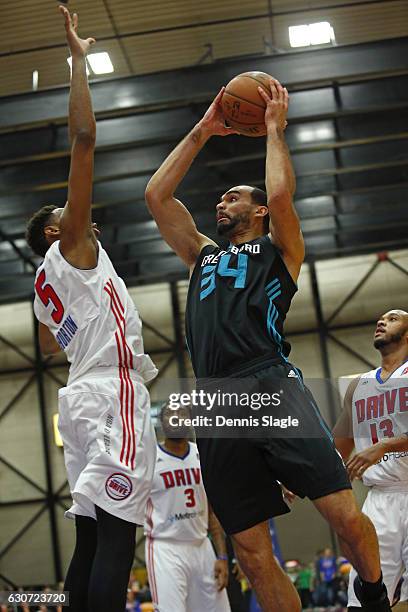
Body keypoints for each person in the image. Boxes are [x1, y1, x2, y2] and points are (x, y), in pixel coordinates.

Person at [144, 76, 392, 612]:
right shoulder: (201, 255)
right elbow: (156, 195)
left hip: (270, 384)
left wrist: (275, 128)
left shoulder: (280, 250)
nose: (221, 203)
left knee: (345, 518)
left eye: (233, 197)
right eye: (220, 198)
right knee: (252, 554)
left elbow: (279, 194)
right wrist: (205, 129)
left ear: (257, 213)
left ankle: (373, 594)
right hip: (214, 399)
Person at [25, 7, 157, 612]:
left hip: (76, 400)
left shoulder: (42, 286)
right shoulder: (72, 247)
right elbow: (83, 139)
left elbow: (55, 342)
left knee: (87, 534)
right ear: (57, 231)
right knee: (117, 536)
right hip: (110, 392)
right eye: (69, 214)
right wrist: (78, 59)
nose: (83, 216)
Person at [334, 310, 408, 611]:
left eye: (392, 319)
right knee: (364, 599)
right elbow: (339, 445)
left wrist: (385, 445)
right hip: (379, 501)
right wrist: (300, 479)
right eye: (380, 319)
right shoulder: (358, 386)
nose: (381, 321)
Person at [144, 404, 231, 612]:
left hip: (202, 547)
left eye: (182, 414)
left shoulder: (203, 455)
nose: (176, 418)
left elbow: (212, 511)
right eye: (169, 414)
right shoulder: (148, 459)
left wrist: (222, 555)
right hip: (166, 548)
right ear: (161, 423)